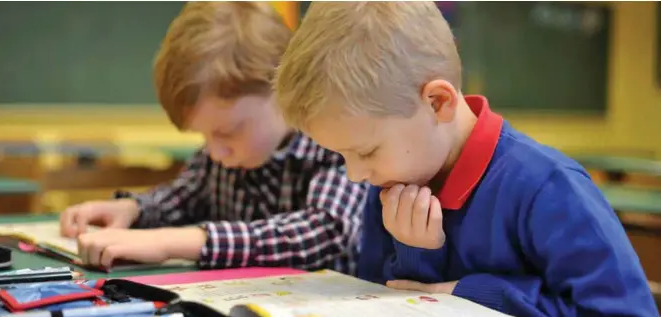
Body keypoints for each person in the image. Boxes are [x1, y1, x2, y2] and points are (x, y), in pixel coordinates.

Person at [273, 2, 657, 316]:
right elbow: (380, 299)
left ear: (437, 102)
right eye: (341, 156)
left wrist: (473, 293)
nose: (356, 175)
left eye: (366, 151)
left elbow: (625, 311)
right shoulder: (389, 182)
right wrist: (415, 254)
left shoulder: (549, 186)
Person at [59, 2, 367, 275]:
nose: (215, 151)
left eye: (227, 131)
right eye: (204, 136)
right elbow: (185, 197)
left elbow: (326, 230)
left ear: (282, 89)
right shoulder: (221, 154)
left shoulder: (335, 146)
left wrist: (174, 242)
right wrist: (133, 210)